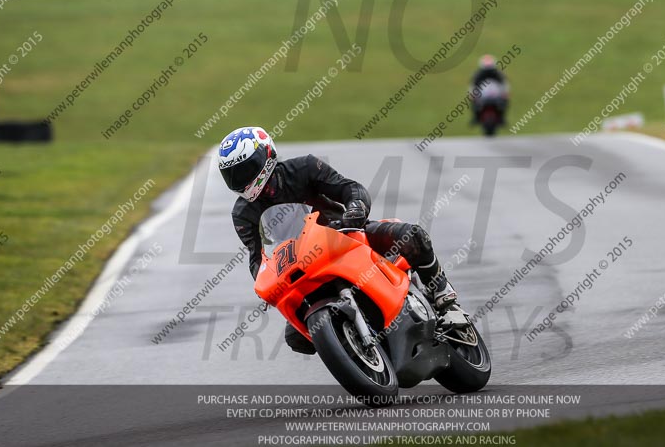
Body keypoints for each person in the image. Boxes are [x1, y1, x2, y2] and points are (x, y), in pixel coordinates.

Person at [217, 127, 458, 355]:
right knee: (296, 337)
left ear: (266, 156)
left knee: (411, 236)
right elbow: (256, 257)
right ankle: (353, 349)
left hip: (345, 235)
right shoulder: (242, 214)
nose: (241, 179)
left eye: (246, 169)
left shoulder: (305, 167)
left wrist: (355, 207)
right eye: (232, 175)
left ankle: (442, 295)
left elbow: (350, 188)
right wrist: (263, 280)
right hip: (301, 268)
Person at [470, 54, 509, 125]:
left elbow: (504, 84)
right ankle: (476, 117)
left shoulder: (498, 74)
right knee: (474, 103)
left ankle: (502, 118)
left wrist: (505, 93)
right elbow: (473, 85)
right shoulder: (478, 75)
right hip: (482, 95)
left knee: (505, 102)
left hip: (495, 95)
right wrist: (473, 94)